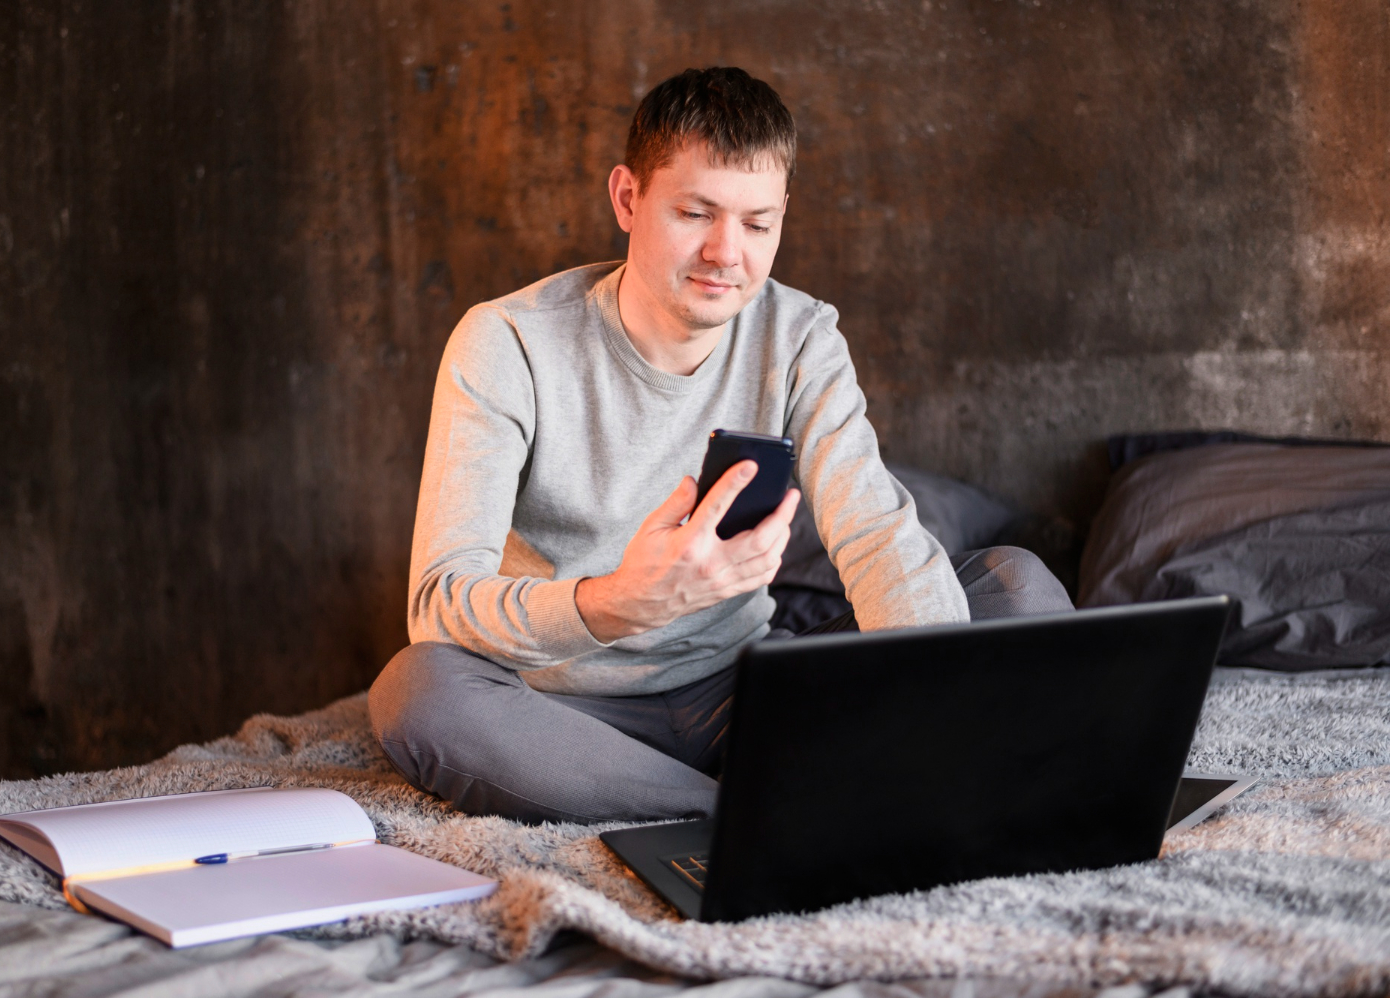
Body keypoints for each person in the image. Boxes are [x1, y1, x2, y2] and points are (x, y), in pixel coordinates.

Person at [369, 67, 1071, 825]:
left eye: (757, 223)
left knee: (1014, 585)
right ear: (628, 199)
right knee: (419, 691)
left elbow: (875, 533)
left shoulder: (799, 336)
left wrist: (941, 703)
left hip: (746, 694)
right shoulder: (507, 343)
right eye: (696, 212)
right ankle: (749, 813)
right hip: (570, 718)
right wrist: (620, 604)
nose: (726, 253)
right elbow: (440, 606)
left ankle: (769, 792)